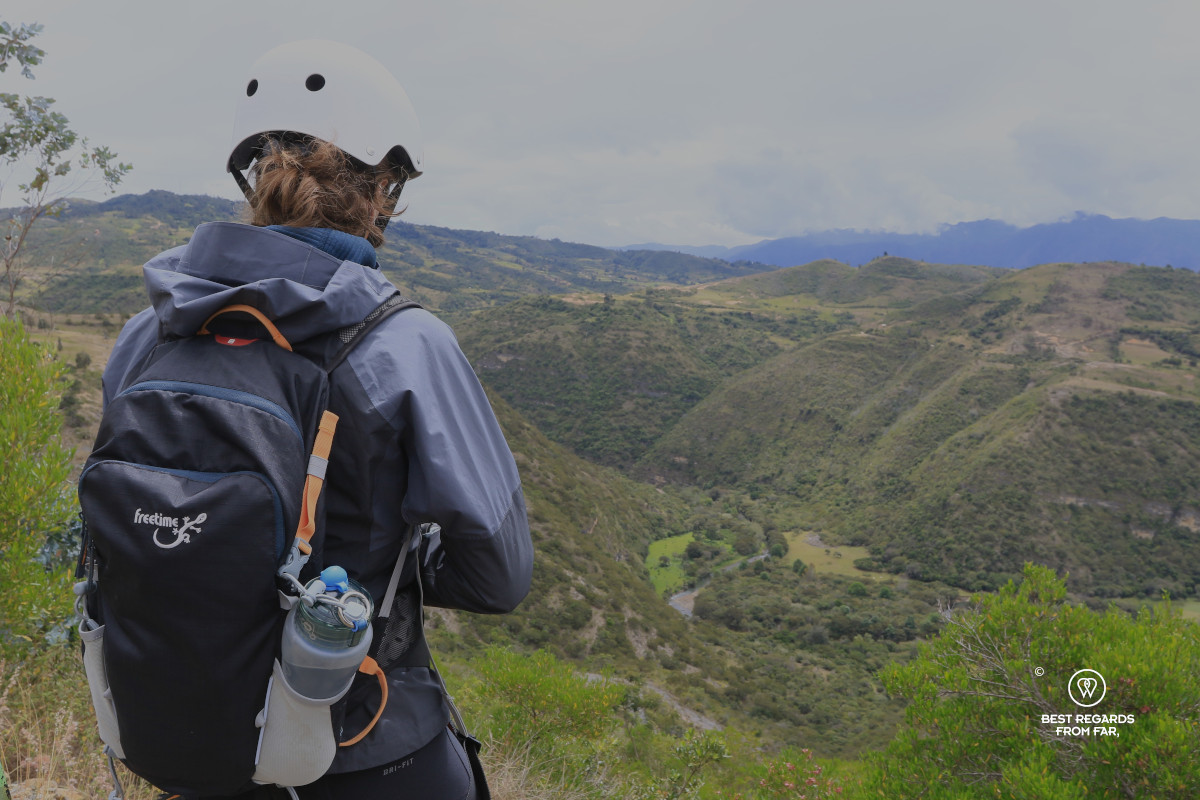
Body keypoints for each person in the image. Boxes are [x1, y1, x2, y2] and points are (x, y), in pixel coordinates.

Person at [100, 40, 533, 800]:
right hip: (365, 742)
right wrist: (399, 558)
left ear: (252, 177)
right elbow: (498, 575)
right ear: (384, 187)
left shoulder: (147, 334)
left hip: (192, 737)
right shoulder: (402, 343)